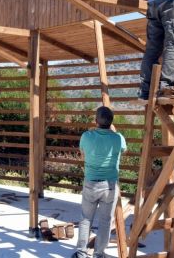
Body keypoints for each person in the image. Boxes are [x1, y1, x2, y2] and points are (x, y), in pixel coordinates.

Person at [72, 106, 127, 258]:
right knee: (105, 221)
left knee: (86, 219)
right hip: (110, 186)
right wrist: (113, 132)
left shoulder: (86, 136)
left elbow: (83, 152)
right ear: (111, 122)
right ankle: (99, 254)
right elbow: (123, 150)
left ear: (96, 121)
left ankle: (81, 253)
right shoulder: (118, 138)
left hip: (91, 183)